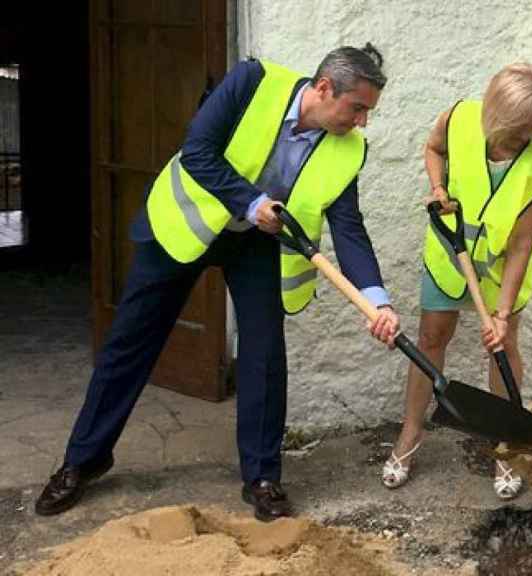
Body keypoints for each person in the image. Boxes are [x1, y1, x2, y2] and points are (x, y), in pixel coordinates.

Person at [34, 45, 400, 522]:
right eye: (358, 108)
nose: (362, 122)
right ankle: (81, 461)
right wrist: (251, 203)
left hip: (257, 245)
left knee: (265, 355)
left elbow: (348, 226)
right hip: (188, 224)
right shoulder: (252, 82)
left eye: (368, 112)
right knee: (129, 343)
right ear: (325, 88)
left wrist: (376, 300)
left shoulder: (350, 149)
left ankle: (263, 477)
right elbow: (198, 152)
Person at [381, 63, 532, 500]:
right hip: (450, 254)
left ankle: (506, 445)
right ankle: (411, 432)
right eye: (515, 131)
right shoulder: (459, 118)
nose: (521, 141)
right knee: (432, 337)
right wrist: (437, 187)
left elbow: (522, 243)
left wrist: (501, 314)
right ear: (494, 114)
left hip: (503, 266)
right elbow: (433, 149)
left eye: (529, 133)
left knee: (502, 346)